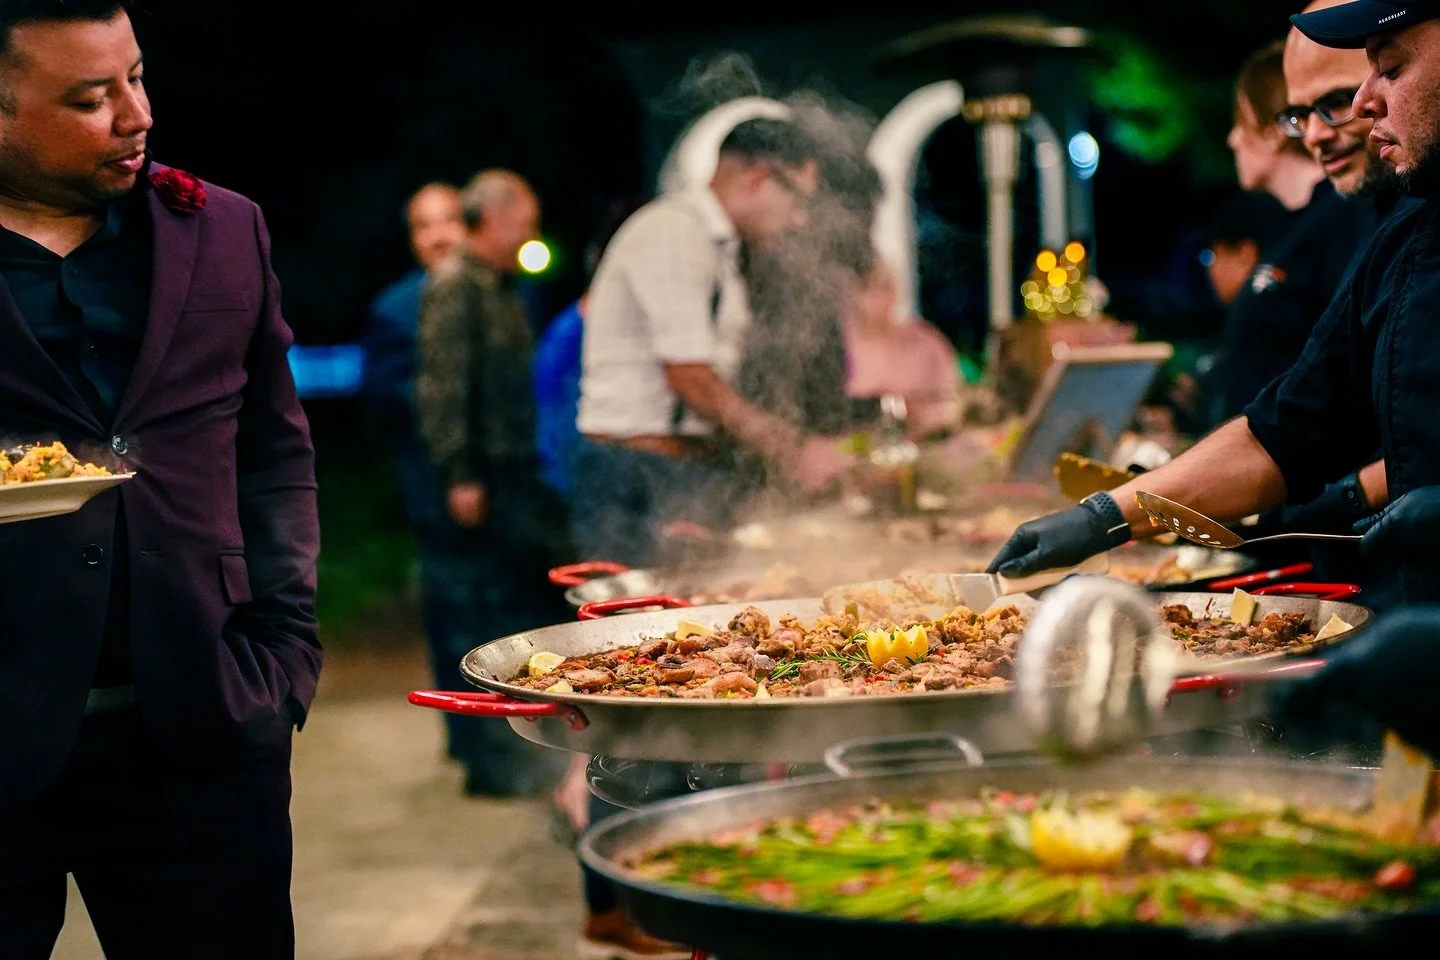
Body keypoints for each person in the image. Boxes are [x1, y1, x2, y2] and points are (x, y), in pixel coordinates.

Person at [0, 3, 318, 957]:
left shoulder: (223, 229)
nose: (136, 114)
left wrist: (283, 655)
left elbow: (275, 454)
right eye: (92, 98)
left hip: (203, 731)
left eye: (135, 77)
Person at [988, 0, 1440, 614]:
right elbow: (1282, 434)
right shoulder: (1405, 239)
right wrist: (1105, 516)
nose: (1364, 103)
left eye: (1390, 69)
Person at [571, 117, 863, 566]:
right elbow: (690, 377)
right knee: (644, 625)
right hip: (637, 474)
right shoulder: (675, 232)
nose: (800, 219)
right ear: (758, 179)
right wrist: (793, 449)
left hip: (669, 468)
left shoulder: (713, 244)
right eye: (799, 198)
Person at [414, 169, 568, 797]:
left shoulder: (497, 285)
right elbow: (443, 388)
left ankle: (525, 760)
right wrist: (460, 473)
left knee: (516, 606)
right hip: (487, 481)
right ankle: (495, 767)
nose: (529, 233)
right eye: (523, 221)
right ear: (494, 218)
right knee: (486, 616)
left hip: (515, 475)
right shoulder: (457, 285)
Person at [360, 182, 464, 524]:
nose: (439, 236)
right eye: (424, 226)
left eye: (449, 220)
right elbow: (386, 396)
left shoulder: (511, 293)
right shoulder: (395, 309)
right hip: (433, 479)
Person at [841, 259, 963, 441]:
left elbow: (951, 405)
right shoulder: (837, 350)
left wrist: (917, 415)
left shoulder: (925, 342)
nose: (882, 297)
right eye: (870, 288)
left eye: (886, 287)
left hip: (923, 453)